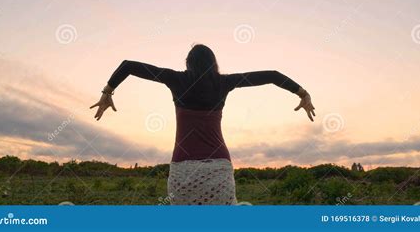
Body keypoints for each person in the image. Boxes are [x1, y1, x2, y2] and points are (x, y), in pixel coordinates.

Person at [90, 44, 315, 205]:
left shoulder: (176, 79)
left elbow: (128, 65)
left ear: (188, 63)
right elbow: (272, 75)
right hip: (219, 171)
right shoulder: (224, 82)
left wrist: (107, 91)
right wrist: (302, 93)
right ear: (213, 64)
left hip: (182, 172)